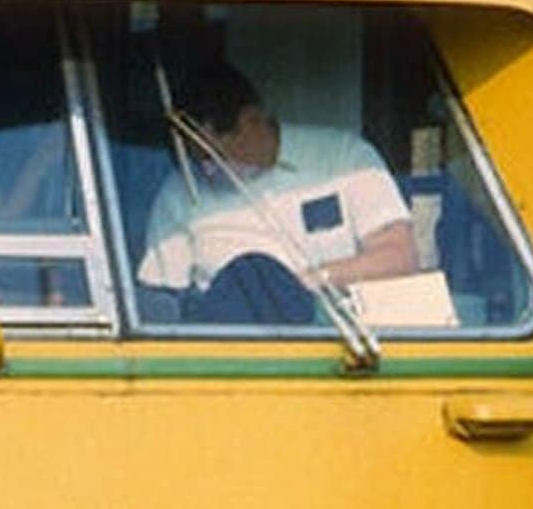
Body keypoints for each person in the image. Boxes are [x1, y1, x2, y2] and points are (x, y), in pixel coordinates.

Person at [134, 63, 418, 324]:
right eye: (198, 161)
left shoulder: (343, 159)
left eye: (214, 157)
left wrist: (305, 282)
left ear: (252, 121)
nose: (207, 172)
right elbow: (161, 298)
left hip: (336, 335)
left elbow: (398, 256)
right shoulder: (182, 188)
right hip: (228, 341)